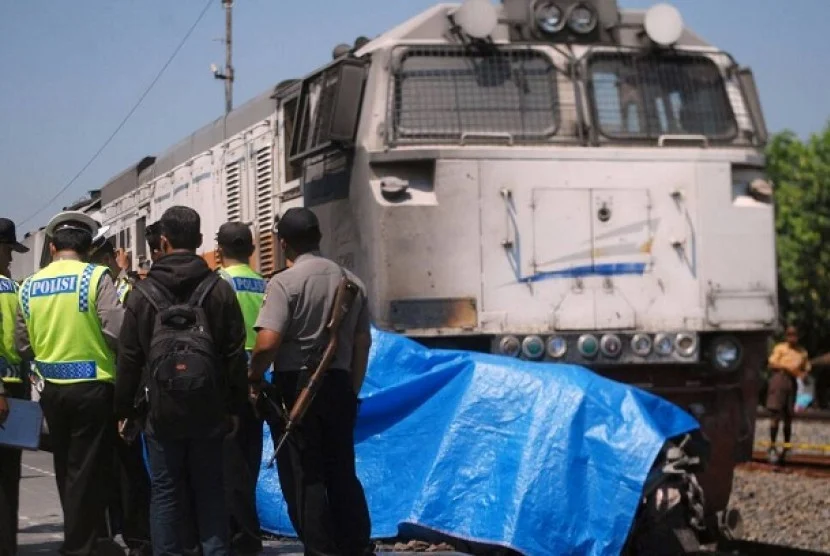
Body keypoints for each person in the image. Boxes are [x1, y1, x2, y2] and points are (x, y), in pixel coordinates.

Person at [115, 206, 247, 556]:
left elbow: (128, 358)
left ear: (163, 241)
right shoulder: (219, 291)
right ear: (200, 241)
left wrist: (125, 409)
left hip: (160, 413)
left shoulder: (141, 296)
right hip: (209, 410)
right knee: (210, 491)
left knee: (166, 492)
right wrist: (234, 407)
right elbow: (235, 355)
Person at [247, 207, 373, 556]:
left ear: (283, 243)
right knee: (342, 471)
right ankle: (356, 545)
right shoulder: (353, 282)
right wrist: (352, 387)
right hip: (340, 386)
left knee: (307, 478)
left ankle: (320, 550)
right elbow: (363, 343)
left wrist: (254, 375)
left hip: (296, 389)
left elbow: (268, 343)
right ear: (318, 237)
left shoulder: (284, 282)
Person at [14, 211, 124, 555]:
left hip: (51, 390)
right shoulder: (97, 277)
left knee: (66, 467)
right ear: (89, 247)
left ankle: (79, 540)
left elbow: (21, 343)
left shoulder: (30, 285)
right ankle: (83, 545)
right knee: (90, 470)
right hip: (93, 387)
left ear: (51, 246)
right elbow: (118, 331)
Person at [88, 230, 152, 555]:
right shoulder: (104, 286)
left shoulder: (120, 287)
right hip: (111, 387)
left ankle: (129, 535)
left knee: (123, 468)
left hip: (118, 389)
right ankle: (125, 534)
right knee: (118, 468)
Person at [215, 222, 267, 554]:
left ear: (218, 251)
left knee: (228, 463)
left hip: (228, 383)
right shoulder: (265, 284)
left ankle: (241, 536)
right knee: (249, 461)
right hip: (260, 381)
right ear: (251, 250)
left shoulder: (218, 283)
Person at [0, 217, 29, 556]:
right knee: (8, 483)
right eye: (8, 250)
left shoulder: (15, 288)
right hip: (9, 395)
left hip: (12, 392)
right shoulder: (13, 290)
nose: (10, 259)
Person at [766, 325, 811, 463]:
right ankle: (772, 446)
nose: (792, 337)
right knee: (775, 414)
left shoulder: (802, 353)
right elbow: (772, 363)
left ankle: (786, 447)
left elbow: (806, 368)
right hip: (780, 379)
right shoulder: (780, 348)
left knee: (788, 416)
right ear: (786, 336)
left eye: (794, 334)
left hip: (792, 383)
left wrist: (803, 374)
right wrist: (787, 368)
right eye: (789, 334)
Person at [88, 230, 133, 305]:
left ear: (107, 259)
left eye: (92, 267)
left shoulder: (129, 287)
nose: (89, 272)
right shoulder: (94, 290)